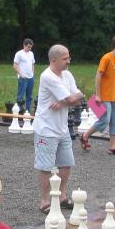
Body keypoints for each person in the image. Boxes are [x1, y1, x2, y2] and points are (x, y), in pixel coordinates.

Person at [33, 44, 84, 213]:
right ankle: (45, 201)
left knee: (66, 163)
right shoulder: (47, 76)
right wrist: (69, 99)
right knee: (46, 167)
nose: (69, 61)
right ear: (53, 60)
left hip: (62, 128)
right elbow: (72, 97)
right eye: (65, 59)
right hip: (46, 128)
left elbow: (79, 98)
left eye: (69, 57)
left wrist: (63, 102)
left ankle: (61, 196)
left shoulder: (67, 75)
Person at [79, 34, 115, 155]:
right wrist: (98, 95)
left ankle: (113, 147)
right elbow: (98, 75)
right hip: (104, 96)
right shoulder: (106, 58)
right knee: (105, 120)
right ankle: (85, 135)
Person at [13, 38, 35, 113]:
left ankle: (27, 111)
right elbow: (15, 65)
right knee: (20, 96)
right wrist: (21, 74)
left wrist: (32, 73)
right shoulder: (19, 54)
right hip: (23, 78)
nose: (30, 48)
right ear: (24, 45)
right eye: (28, 47)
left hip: (31, 77)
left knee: (29, 96)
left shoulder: (31, 54)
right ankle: (19, 112)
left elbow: (32, 64)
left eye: (31, 47)